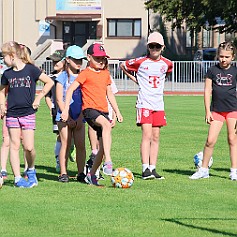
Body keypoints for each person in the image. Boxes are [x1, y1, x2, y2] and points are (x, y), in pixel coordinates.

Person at [61, 43, 123, 186]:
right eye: (97, 58)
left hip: (103, 111)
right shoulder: (85, 74)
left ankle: (91, 175)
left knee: (101, 146)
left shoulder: (105, 74)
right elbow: (70, 90)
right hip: (89, 110)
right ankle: (108, 161)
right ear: (88, 57)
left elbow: (110, 94)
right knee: (106, 125)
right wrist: (65, 110)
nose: (101, 61)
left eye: (103, 59)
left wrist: (117, 112)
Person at [0, 41, 54, 188]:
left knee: (29, 147)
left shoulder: (31, 70)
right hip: (12, 114)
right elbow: (2, 90)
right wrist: (1, 106)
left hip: (28, 113)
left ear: (12, 56)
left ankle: (31, 169)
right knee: (14, 145)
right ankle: (18, 178)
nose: (2, 59)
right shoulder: (7, 74)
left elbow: (49, 82)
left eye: (3, 56)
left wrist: (38, 98)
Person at [120, 32, 173, 180]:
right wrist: (135, 79)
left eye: (157, 46)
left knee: (156, 136)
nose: (154, 48)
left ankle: (153, 168)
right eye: (151, 46)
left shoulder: (168, 64)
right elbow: (123, 65)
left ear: (162, 47)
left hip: (159, 104)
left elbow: (166, 74)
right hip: (145, 103)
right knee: (147, 135)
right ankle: (145, 168)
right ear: (148, 47)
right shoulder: (140, 61)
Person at [189, 41, 237, 180]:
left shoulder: (235, 71)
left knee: (232, 139)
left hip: (233, 110)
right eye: (221, 56)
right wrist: (207, 111)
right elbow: (207, 90)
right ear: (218, 56)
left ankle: (234, 171)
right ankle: (203, 170)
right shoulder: (212, 70)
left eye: (227, 57)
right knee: (210, 140)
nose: (223, 59)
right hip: (216, 110)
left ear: (232, 57)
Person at [55, 45, 86, 183]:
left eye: (81, 60)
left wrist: (79, 117)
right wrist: (66, 114)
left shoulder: (83, 76)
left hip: (79, 116)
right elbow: (58, 99)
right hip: (63, 116)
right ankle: (63, 173)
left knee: (81, 145)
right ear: (67, 59)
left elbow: (86, 98)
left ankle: (81, 173)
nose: (79, 63)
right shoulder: (62, 77)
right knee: (65, 144)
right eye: (76, 60)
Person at [86, 57, 118, 178]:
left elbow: (111, 96)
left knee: (103, 147)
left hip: (107, 113)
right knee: (97, 145)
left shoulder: (107, 77)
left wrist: (114, 115)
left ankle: (94, 172)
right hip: (95, 112)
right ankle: (95, 159)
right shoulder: (89, 76)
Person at [45, 50, 65, 172]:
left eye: (57, 60)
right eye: (53, 60)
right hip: (57, 112)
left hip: (71, 110)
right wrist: (52, 107)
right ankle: (59, 161)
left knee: (71, 136)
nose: (54, 63)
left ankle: (71, 148)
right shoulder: (51, 78)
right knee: (60, 136)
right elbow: (47, 96)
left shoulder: (71, 76)